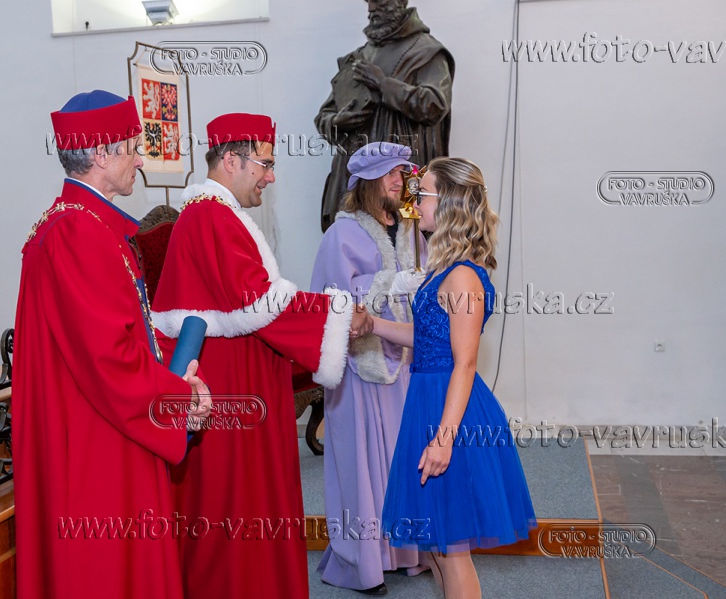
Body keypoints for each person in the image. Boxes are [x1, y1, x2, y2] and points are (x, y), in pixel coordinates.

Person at [151, 113, 371, 599]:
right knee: (238, 509)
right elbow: (260, 302)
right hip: (232, 391)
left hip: (236, 379)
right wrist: (336, 312)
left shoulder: (215, 213)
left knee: (242, 509)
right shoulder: (211, 216)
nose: (271, 177)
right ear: (231, 160)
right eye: (266, 164)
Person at [12, 90, 210, 599]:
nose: (140, 161)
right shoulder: (77, 233)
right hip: (97, 447)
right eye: (133, 148)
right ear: (100, 153)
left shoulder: (85, 224)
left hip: (102, 427)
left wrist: (178, 378)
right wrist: (177, 398)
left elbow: (126, 332)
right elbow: (109, 360)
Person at [372, 158, 536, 598]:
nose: (414, 204)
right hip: (429, 399)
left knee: (452, 550)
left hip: (451, 410)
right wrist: (373, 325)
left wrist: (444, 439)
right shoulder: (445, 269)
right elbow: (428, 339)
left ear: (447, 203)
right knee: (438, 548)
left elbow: (465, 362)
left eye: (421, 194)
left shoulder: (462, 276)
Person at [310, 142, 435, 596]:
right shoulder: (340, 235)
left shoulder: (411, 233)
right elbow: (331, 300)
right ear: (367, 183)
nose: (400, 181)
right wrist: (390, 282)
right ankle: (360, 562)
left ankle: (402, 553)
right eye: (390, 174)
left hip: (403, 368)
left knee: (399, 461)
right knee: (361, 468)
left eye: (402, 173)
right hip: (360, 371)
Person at [315, 0, 454, 232]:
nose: (371, 9)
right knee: (352, 243)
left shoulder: (426, 51)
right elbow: (325, 115)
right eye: (369, 2)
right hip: (354, 182)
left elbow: (435, 105)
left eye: (378, 2)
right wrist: (338, 122)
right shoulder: (359, 57)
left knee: (406, 244)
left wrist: (383, 84)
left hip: (403, 179)